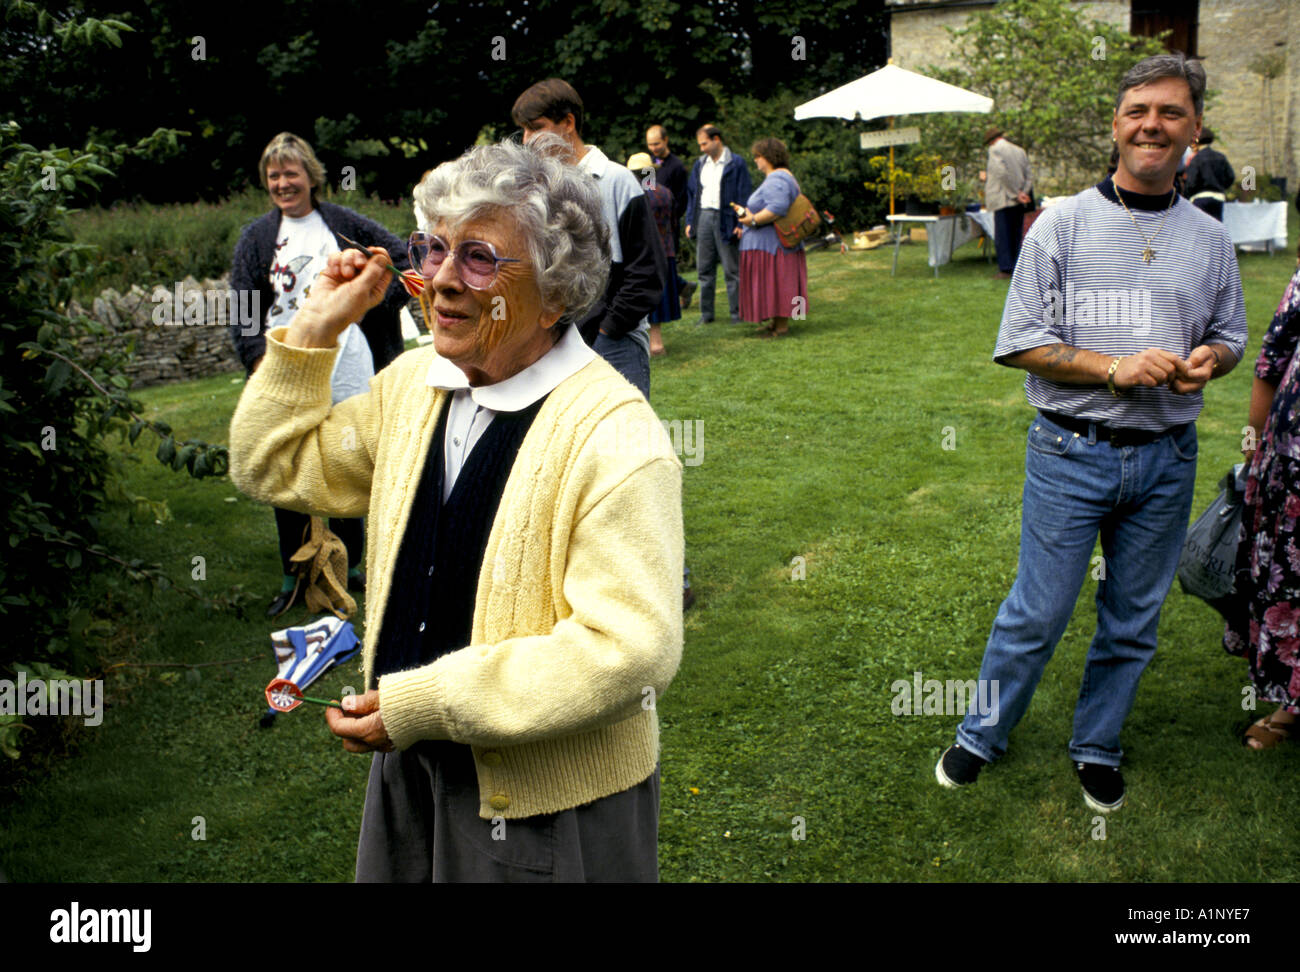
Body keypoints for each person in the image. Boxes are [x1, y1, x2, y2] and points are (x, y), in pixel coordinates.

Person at [228, 137, 684, 881]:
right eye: (432, 248)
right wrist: (313, 330)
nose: (438, 280)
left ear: (557, 292)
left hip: (544, 803)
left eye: (478, 258)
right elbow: (268, 463)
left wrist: (424, 703)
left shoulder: (616, 434)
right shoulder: (416, 384)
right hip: (410, 769)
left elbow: (628, 651)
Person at [935, 53, 1247, 812]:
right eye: (1139, 110)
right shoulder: (1062, 224)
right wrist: (1113, 369)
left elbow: (1232, 334)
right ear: (1117, 124)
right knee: (1037, 612)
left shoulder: (1211, 239)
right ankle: (982, 733)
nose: (1153, 125)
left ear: (1193, 128)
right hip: (1072, 452)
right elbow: (1018, 343)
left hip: (1168, 459)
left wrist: (1212, 358)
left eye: (1171, 113)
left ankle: (1097, 743)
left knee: (1134, 619)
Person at [228, 132, 411, 618]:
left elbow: (399, 258)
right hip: (287, 365)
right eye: (274, 176)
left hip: (347, 362)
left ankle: (348, 565)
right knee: (286, 462)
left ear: (311, 177)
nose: (283, 183)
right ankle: (294, 573)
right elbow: (245, 307)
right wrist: (256, 361)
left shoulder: (343, 224)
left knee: (347, 455)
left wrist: (377, 302)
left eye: (291, 173)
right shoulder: (257, 237)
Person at [512, 78, 666, 401]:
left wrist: (609, 329)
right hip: (557, 347)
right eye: (523, 131)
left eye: (535, 128)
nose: (527, 140)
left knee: (623, 446)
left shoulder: (617, 180)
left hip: (616, 342)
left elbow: (647, 271)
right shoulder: (539, 191)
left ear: (568, 122)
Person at [1224, 262, 1300, 748]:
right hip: (1293, 465)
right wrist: (1254, 450)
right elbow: (1272, 359)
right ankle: (1291, 706)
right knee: (1293, 590)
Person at [734, 137, 808, 339]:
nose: (755, 160)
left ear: (768, 157)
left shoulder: (777, 179)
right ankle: (776, 322)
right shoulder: (781, 178)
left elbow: (777, 208)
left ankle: (781, 327)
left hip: (773, 245)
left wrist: (752, 220)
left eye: (758, 156)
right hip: (771, 244)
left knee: (778, 282)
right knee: (775, 283)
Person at [684, 125, 752, 324]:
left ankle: (736, 314)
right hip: (704, 217)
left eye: (705, 143)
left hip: (727, 218)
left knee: (732, 269)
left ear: (717, 139)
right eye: (700, 145)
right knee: (704, 269)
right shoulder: (700, 164)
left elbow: (744, 193)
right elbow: (692, 195)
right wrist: (690, 221)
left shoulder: (736, 163)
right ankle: (706, 315)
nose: (702, 148)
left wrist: (741, 222)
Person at [627, 151, 679, 355]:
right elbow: (674, 223)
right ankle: (656, 341)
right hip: (666, 251)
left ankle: (653, 343)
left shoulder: (636, 195)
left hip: (644, 253)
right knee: (662, 297)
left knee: (648, 297)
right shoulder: (665, 193)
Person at [645, 124, 695, 309]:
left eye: (657, 144)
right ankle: (683, 287)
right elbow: (647, 191)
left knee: (667, 262)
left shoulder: (677, 167)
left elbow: (681, 201)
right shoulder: (649, 164)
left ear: (666, 140)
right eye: (650, 145)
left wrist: (670, 221)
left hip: (668, 223)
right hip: (651, 222)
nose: (654, 148)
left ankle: (680, 289)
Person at [983, 128, 1033, 279]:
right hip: (1019, 198)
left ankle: (1006, 268)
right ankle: (1017, 265)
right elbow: (1029, 175)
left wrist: (1015, 194)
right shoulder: (1020, 150)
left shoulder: (994, 150)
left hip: (1004, 197)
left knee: (1003, 235)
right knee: (1016, 233)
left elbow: (1001, 173)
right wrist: (1023, 192)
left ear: (991, 141)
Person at [1183, 128, 1235, 221]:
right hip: (1218, 198)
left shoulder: (1196, 159)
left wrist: (1187, 195)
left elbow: (1191, 182)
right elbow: (1230, 177)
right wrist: (1221, 187)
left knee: (1201, 229)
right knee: (1215, 227)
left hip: (1200, 197)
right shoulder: (1220, 157)